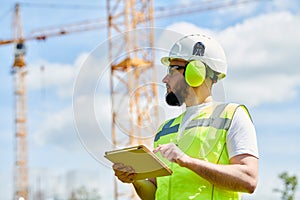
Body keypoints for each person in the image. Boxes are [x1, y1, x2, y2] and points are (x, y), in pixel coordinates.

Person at [112, 33, 259, 200]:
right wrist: (135, 180)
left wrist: (186, 160)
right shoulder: (165, 130)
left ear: (196, 71)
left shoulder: (231, 115)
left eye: (172, 70)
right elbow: (154, 194)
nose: (165, 79)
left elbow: (248, 179)